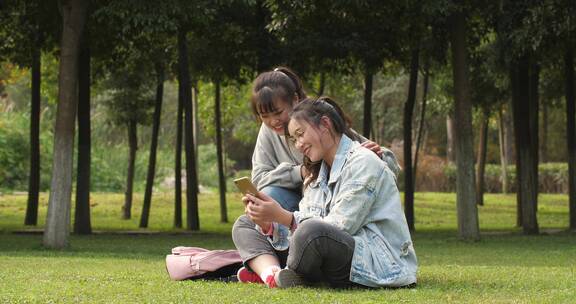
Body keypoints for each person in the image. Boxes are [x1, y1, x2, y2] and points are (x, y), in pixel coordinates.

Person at [232, 97, 417, 288]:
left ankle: (284, 272)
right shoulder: (315, 174)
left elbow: (340, 226)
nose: (298, 144)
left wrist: (283, 217)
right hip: (325, 252)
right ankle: (273, 274)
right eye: (294, 139)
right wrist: (269, 225)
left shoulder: (363, 161)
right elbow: (308, 219)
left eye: (300, 134)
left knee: (310, 233)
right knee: (246, 224)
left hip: (374, 261)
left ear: (325, 124)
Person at [248, 67, 400, 250]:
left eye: (278, 113)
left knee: (313, 231)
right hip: (296, 205)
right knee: (246, 223)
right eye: (265, 116)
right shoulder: (268, 132)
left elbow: (386, 164)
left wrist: (379, 156)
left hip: (325, 209)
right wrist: (300, 173)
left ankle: (278, 260)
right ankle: (269, 268)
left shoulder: (317, 119)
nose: (273, 121)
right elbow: (258, 178)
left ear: (295, 100)